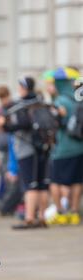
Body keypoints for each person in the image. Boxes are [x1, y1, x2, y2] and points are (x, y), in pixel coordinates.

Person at [0, 77, 51, 229]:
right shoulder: (41, 102)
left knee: (30, 185)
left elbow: (22, 124)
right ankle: (42, 217)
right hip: (44, 148)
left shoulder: (21, 105)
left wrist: (5, 126)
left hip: (27, 150)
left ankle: (29, 218)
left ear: (24, 87)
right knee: (42, 185)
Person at [48, 78, 83, 226]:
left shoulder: (60, 101)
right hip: (80, 147)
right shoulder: (77, 98)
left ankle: (61, 212)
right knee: (77, 181)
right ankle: (74, 212)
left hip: (63, 149)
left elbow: (53, 124)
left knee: (56, 181)